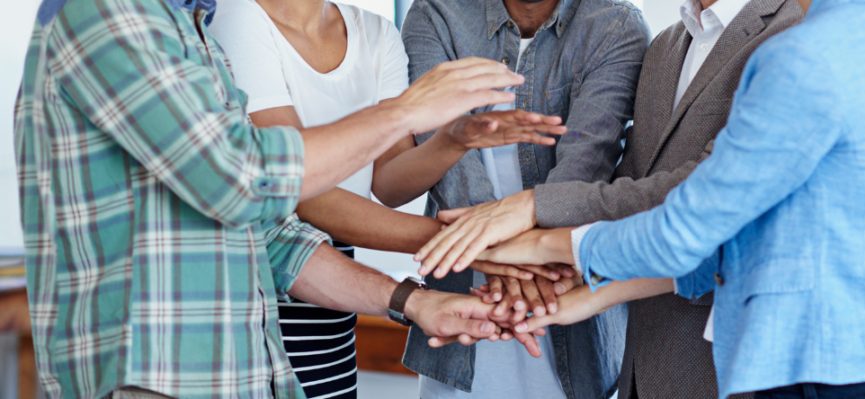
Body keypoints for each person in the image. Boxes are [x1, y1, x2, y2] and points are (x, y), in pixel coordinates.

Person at [14, 0, 536, 396]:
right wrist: (403, 113)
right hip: (153, 377)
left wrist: (413, 301)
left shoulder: (191, 33)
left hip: (246, 371)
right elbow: (245, 177)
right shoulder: (106, 14)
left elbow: (270, 236)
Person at [464, 0, 865, 397]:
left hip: (831, 372)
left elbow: (687, 228)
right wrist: (594, 293)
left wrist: (541, 242)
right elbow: (758, 232)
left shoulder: (800, 55)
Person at [414, 0, 802, 396]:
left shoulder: (797, 32)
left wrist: (532, 216)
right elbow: (631, 181)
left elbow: (706, 196)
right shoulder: (667, 45)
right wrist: (547, 264)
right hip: (635, 356)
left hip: (728, 359)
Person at [205, 0, 568, 397]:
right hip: (260, 290)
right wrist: (466, 242)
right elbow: (294, 188)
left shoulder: (375, 32)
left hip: (336, 291)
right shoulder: (235, 19)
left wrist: (453, 141)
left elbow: (391, 184)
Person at [399, 0, 650, 398]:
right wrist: (510, 260)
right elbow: (444, 157)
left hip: (568, 307)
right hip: (467, 304)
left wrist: (509, 256)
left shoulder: (615, 22)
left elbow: (585, 166)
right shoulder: (436, 13)